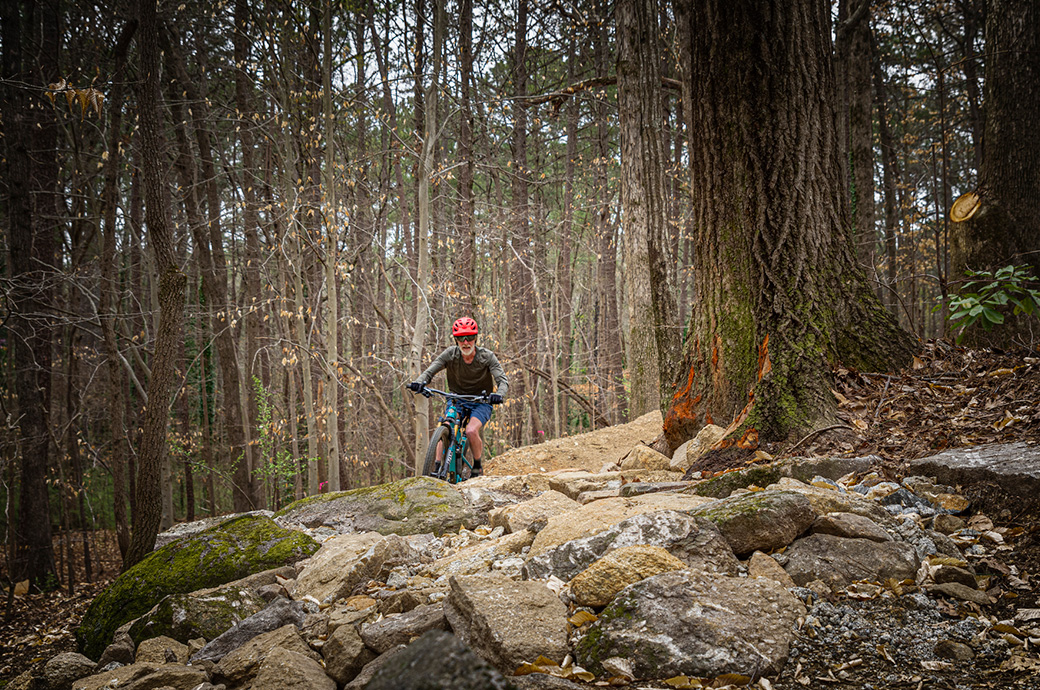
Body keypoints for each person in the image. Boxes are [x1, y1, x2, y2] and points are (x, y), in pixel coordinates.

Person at [407, 317, 508, 477]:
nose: (466, 342)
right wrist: (420, 382)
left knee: (471, 431)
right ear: (456, 340)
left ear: (476, 338)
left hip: (481, 402)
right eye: (461, 338)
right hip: (456, 399)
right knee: (446, 424)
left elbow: (503, 381)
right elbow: (430, 371)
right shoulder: (450, 355)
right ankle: (437, 466)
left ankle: (477, 466)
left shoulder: (487, 357)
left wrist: (498, 395)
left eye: (470, 338)